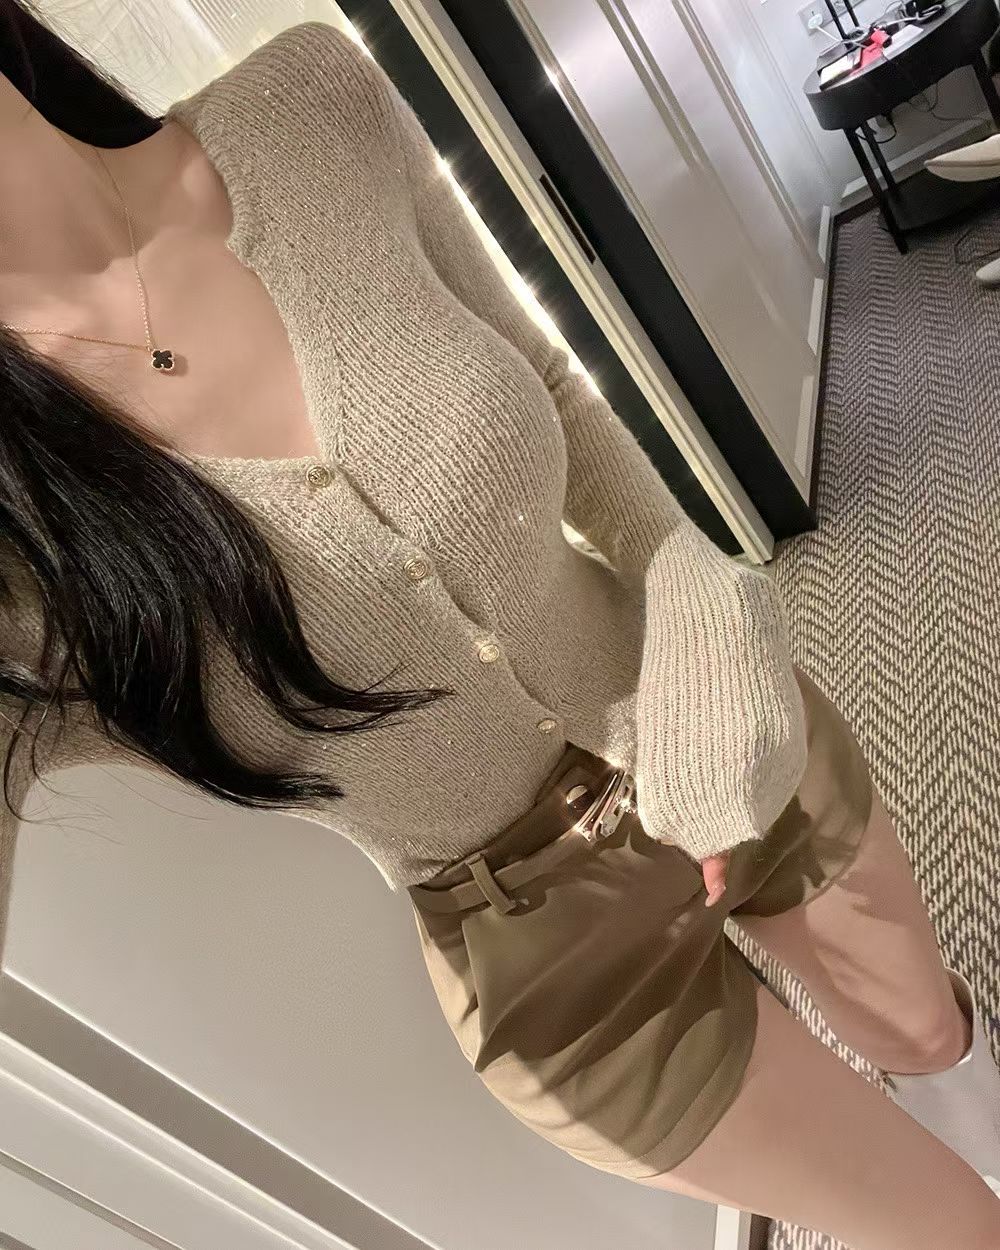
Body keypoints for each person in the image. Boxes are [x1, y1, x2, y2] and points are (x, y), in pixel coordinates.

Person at [0, 6, 997, 1246]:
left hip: (710, 709)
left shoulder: (307, 106)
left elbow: (562, 393)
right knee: (950, 1227)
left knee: (934, 1037)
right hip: (555, 972)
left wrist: (706, 588)